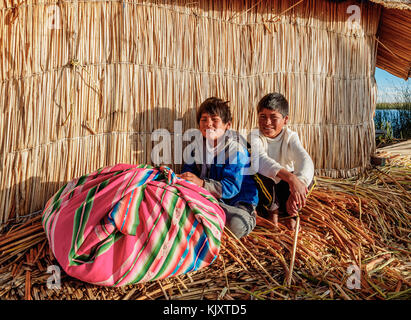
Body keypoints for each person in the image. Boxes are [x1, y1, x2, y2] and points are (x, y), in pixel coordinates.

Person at [178, 97, 259, 239]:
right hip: (210, 200)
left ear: (227, 125)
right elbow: (188, 171)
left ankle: (246, 219)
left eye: (214, 119)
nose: (208, 124)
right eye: (204, 119)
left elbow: (231, 187)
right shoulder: (197, 148)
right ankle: (209, 217)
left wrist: (202, 184)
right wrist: (184, 178)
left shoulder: (236, 150)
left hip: (236, 204)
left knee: (236, 224)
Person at [249, 92, 314, 230]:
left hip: (285, 189)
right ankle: (274, 212)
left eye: (273, 118)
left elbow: (305, 159)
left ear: (285, 120)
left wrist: (298, 184)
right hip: (266, 190)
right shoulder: (255, 136)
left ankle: (292, 211)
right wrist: (291, 178)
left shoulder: (290, 137)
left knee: (308, 177)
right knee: (257, 171)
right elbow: (261, 160)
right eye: (263, 117)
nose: (267, 122)